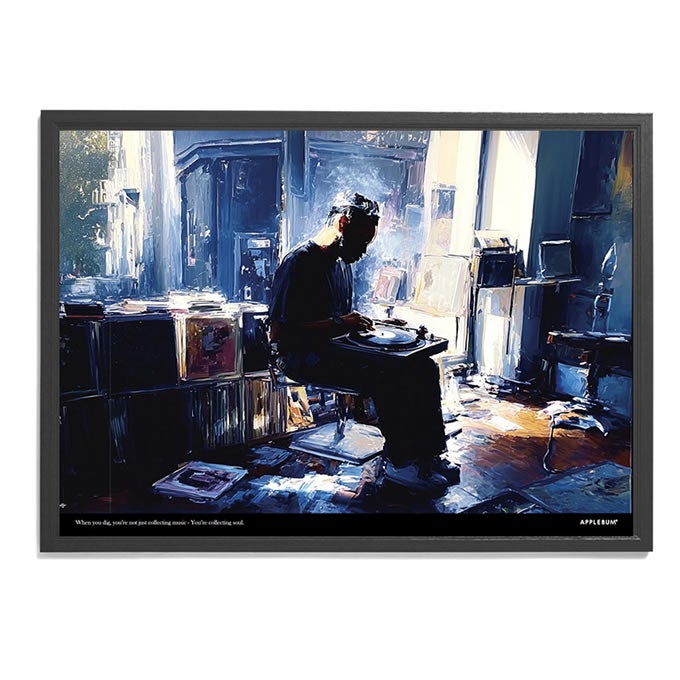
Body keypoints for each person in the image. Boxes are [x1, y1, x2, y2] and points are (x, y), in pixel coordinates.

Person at [268, 193, 456, 494]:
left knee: (423, 367)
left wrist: (376, 324)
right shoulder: (298, 263)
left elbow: (340, 317)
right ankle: (401, 464)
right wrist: (342, 324)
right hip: (303, 357)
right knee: (390, 376)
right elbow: (279, 334)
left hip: (334, 350)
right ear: (342, 224)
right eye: (361, 241)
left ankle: (429, 456)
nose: (364, 251)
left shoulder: (341, 263)